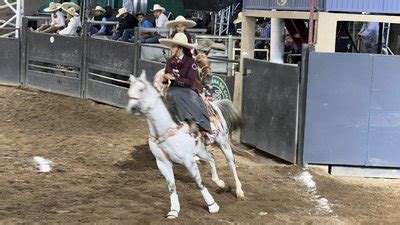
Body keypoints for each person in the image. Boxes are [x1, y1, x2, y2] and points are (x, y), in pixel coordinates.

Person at [159, 33, 213, 141]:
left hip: (188, 90)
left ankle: (201, 128)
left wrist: (175, 78)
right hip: (173, 89)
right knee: (167, 97)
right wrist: (165, 80)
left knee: (195, 102)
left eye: (174, 46)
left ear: (180, 48)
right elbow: (166, 76)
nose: (172, 48)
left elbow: (190, 82)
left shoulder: (191, 62)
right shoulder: (170, 61)